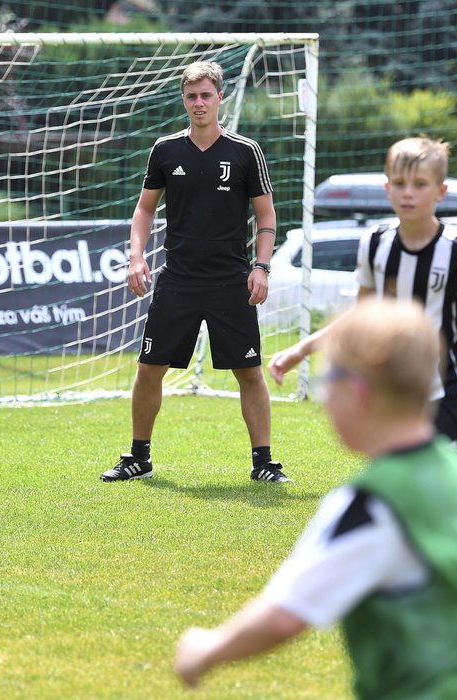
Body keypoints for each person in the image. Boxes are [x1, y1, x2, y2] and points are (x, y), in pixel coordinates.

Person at [174, 298, 457, 698]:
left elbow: (283, 615)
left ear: (358, 392)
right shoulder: (455, 472)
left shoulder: (375, 502)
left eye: (330, 382)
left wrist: (208, 649)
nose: (325, 399)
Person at [269, 136, 457, 452]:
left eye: (420, 184)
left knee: (431, 475)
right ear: (387, 189)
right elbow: (361, 318)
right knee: (398, 471)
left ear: (441, 192)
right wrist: (299, 351)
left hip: (455, 386)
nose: (408, 192)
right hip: (397, 381)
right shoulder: (374, 243)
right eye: (399, 183)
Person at [100, 60, 290, 483]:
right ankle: (138, 458)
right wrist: (136, 256)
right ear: (183, 100)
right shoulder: (166, 149)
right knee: (150, 366)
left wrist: (261, 267)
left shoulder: (245, 151)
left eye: (206, 95)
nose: (199, 103)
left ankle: (264, 463)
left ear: (220, 97)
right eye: (191, 96)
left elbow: (266, 215)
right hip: (179, 280)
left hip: (230, 281)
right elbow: (144, 208)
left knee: (250, 370)